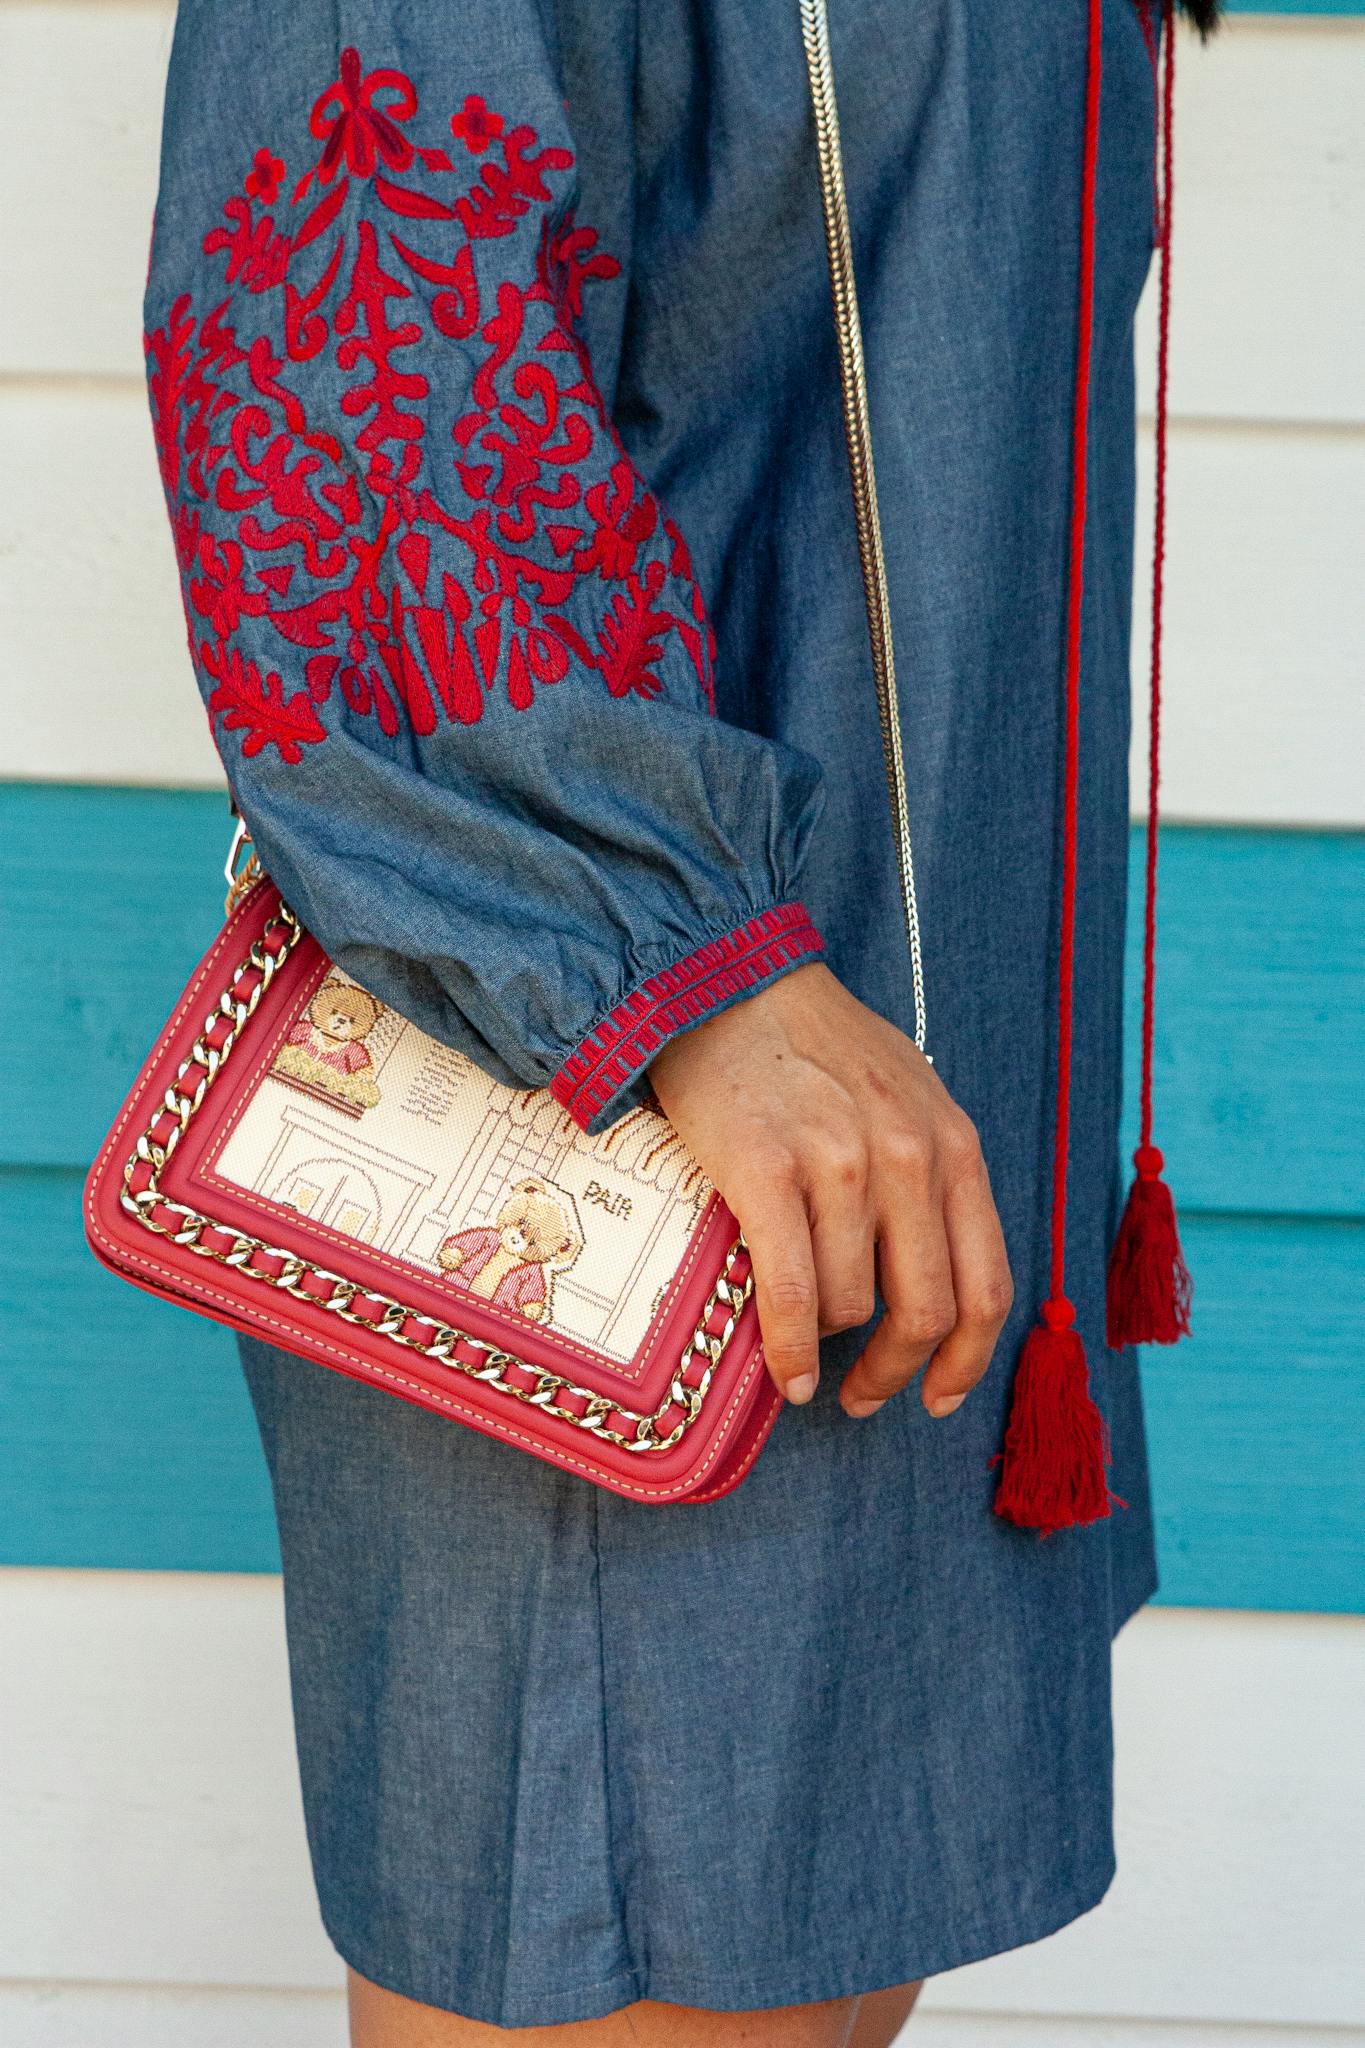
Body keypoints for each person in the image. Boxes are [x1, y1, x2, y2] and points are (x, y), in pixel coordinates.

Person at [141, 0, 1211, 2039]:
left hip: (913, 1072)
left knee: (809, 1968)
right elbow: (369, 342)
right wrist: (677, 962)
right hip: (644, 1124)